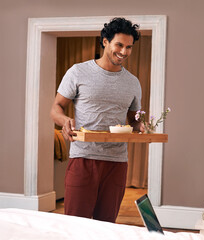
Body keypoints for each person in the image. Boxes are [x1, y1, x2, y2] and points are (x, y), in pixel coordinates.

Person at [50, 17, 144, 223]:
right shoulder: (78, 72)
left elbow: (133, 118)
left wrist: (140, 125)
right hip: (83, 158)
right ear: (105, 42)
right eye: (119, 45)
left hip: (117, 162)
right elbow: (56, 107)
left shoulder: (133, 82)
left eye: (129, 47)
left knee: (107, 226)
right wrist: (64, 120)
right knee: (76, 225)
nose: (124, 52)